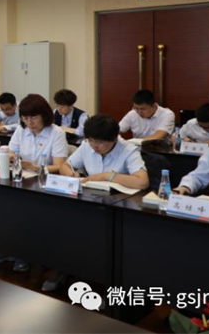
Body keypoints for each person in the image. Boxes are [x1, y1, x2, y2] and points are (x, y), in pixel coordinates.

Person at [52, 114, 149, 292]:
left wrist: (108, 176)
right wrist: (72, 175)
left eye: (100, 142)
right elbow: (65, 165)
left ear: (114, 138)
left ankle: (105, 282)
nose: (95, 146)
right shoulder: (86, 146)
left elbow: (142, 182)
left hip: (117, 208)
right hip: (89, 201)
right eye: (91, 140)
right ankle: (64, 268)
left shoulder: (128, 150)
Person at [0, 94, 68, 272]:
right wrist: (10, 156)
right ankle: (7, 248)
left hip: (44, 184)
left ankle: (24, 254)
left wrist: (36, 167)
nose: (29, 123)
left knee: (23, 210)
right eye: (25, 118)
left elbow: (60, 166)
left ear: (44, 115)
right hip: (21, 179)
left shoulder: (56, 133)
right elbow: (11, 151)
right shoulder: (21, 130)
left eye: (34, 118)